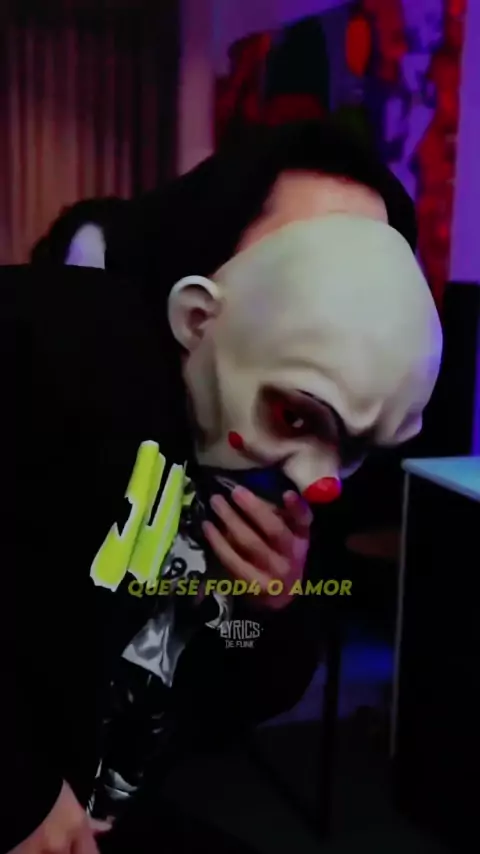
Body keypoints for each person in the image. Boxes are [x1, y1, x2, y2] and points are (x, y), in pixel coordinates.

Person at [2, 118, 442, 854]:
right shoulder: (55, 347)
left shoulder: (270, 471)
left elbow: (225, 689)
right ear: (200, 308)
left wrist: (267, 611)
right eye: (313, 248)